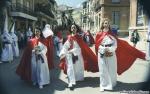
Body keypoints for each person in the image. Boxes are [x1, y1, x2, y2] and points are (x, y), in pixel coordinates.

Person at [95, 18, 147, 92]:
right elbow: (97, 45)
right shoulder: (99, 34)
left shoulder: (112, 34)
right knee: (103, 69)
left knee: (111, 69)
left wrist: (110, 49)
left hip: (111, 53)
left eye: (107, 23)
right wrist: (103, 49)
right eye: (104, 23)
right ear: (102, 24)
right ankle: (103, 85)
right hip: (102, 53)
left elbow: (115, 44)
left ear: (109, 25)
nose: (106, 24)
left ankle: (111, 84)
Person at [59, 24, 98, 89]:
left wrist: (73, 51)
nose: (73, 29)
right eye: (72, 28)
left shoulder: (79, 37)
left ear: (76, 29)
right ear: (71, 29)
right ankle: (71, 81)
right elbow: (65, 46)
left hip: (77, 55)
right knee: (70, 68)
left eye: (74, 28)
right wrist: (62, 53)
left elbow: (80, 48)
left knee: (78, 67)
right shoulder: (68, 37)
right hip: (69, 55)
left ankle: (78, 78)